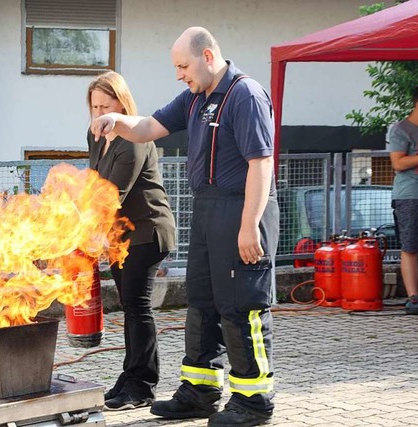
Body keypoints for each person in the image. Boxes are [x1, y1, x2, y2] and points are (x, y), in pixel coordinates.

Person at [90, 27, 279, 426]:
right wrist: (115, 119)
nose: (179, 74)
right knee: (203, 301)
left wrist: (249, 226)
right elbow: (146, 129)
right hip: (207, 209)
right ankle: (199, 391)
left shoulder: (244, 95)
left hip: (240, 209)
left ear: (207, 57)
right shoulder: (195, 97)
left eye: (183, 66)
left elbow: (261, 164)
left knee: (240, 305)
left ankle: (253, 401)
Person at [86, 71, 177, 411]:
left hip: (148, 231)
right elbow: (94, 184)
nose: (99, 115)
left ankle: (141, 386)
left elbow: (111, 195)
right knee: (129, 307)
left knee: (137, 307)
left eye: (105, 106)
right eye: (94, 107)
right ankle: (130, 377)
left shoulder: (135, 139)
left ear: (121, 105)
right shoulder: (95, 135)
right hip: (120, 236)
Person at [388, 83, 418, 315]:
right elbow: (398, 163)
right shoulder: (400, 130)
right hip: (410, 195)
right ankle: (413, 298)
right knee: (410, 247)